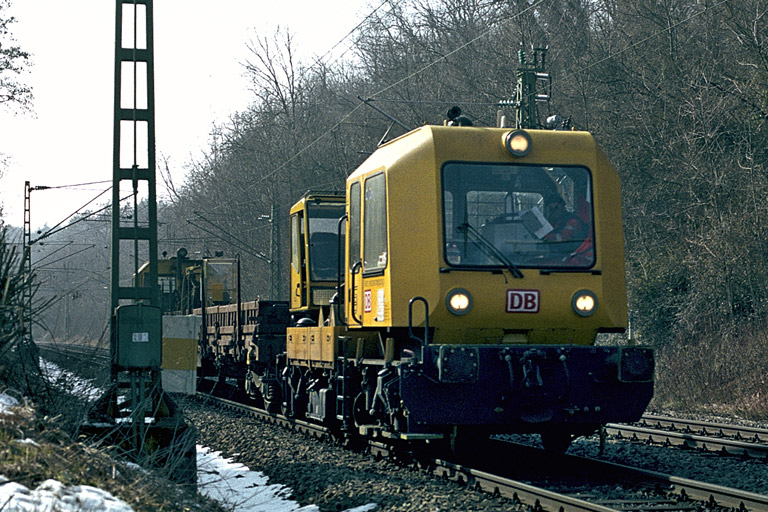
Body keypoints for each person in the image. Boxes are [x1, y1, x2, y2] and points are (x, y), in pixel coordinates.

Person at [543, 197, 593, 265]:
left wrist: (545, 236)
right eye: (551, 209)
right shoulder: (555, 222)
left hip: (573, 258)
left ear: (563, 208)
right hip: (559, 256)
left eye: (556, 208)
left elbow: (563, 238)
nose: (554, 211)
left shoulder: (572, 221)